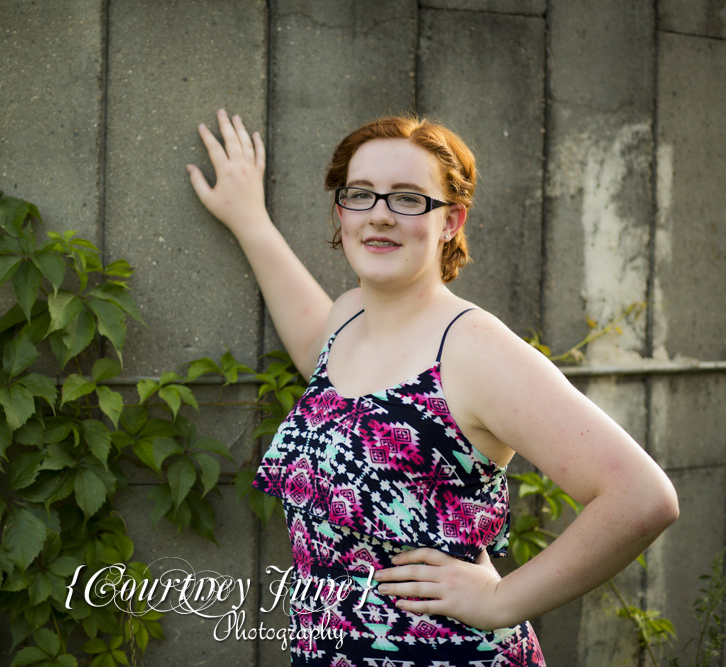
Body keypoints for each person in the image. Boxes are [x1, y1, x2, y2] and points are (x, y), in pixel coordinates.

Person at [186, 109, 679, 666]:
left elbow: (641, 497)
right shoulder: (347, 320)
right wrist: (250, 221)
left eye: (407, 198)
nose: (380, 216)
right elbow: (312, 346)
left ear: (451, 221)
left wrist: (500, 600)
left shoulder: (472, 350)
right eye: (361, 195)